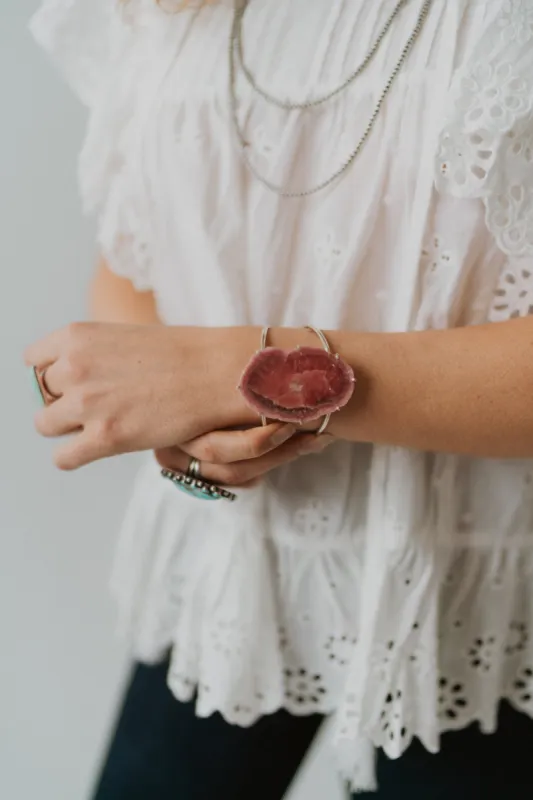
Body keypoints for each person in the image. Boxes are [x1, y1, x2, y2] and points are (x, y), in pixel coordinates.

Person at [27, 0, 533, 797]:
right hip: (227, 573)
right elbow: (132, 248)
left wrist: (243, 371)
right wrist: (184, 415)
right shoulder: (166, 11)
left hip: (488, 588)